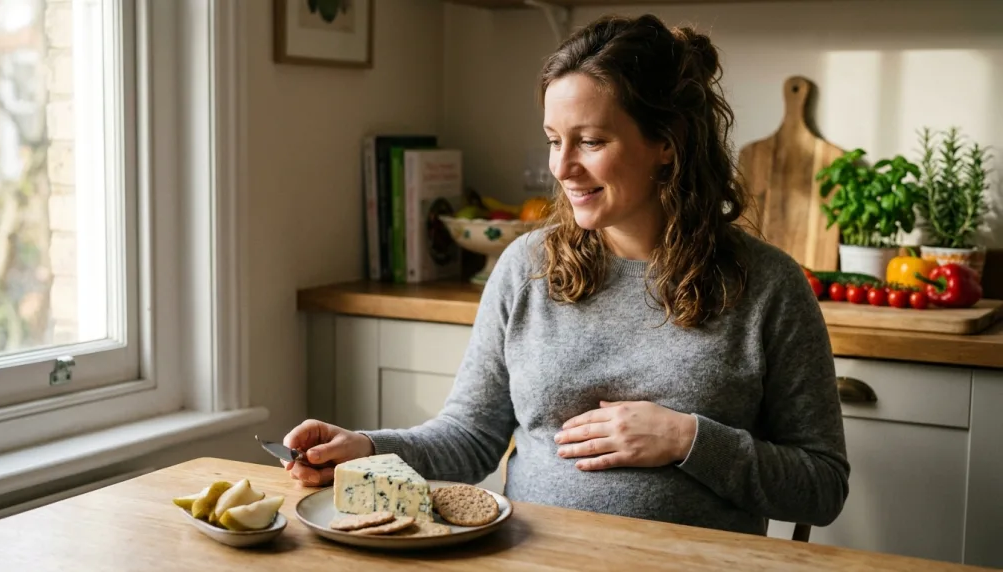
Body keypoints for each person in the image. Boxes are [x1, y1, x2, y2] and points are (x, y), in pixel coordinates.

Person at [283, 13, 849, 536]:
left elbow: (822, 488)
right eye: (555, 140)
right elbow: (471, 436)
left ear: (667, 144)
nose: (561, 167)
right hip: (533, 559)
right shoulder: (526, 267)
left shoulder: (768, 286)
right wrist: (363, 446)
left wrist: (687, 439)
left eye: (591, 141)